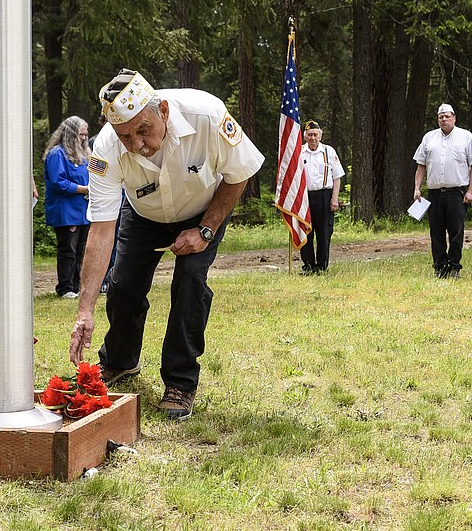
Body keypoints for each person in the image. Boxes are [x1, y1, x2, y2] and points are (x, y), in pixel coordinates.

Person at [68, 69, 264, 421]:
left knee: (190, 283)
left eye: (143, 130)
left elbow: (241, 172)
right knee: (124, 285)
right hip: (143, 214)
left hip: (202, 211)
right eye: (124, 136)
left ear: (163, 111)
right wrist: (85, 309)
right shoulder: (105, 150)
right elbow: (101, 229)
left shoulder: (208, 114)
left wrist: (206, 229)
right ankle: (119, 361)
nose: (136, 145)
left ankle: (180, 382)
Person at [413, 104, 472, 279]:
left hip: (456, 192)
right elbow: (421, 165)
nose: (443, 119)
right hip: (435, 193)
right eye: (440, 117)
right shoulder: (429, 138)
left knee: (456, 231)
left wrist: (471, 191)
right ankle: (440, 266)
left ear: (454, 118)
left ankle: (454, 266)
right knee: (436, 232)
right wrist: (417, 188)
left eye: (447, 116)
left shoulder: (465, 137)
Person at [44, 116, 91, 298]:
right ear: (70, 134)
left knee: (81, 250)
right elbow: (58, 182)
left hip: (82, 209)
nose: (84, 138)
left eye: (86, 134)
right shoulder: (57, 154)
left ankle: (77, 285)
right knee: (68, 250)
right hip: (66, 210)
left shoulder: (84, 154)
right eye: (80, 134)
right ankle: (65, 287)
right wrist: (82, 189)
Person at [299, 120, 345, 274]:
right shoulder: (299, 152)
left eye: (315, 134)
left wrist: (334, 198)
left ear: (320, 136)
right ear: (305, 136)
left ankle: (322, 267)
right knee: (306, 233)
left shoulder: (329, 151)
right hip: (305, 197)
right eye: (310, 134)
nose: (313, 138)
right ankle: (309, 266)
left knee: (324, 234)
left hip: (325, 196)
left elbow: (337, 177)